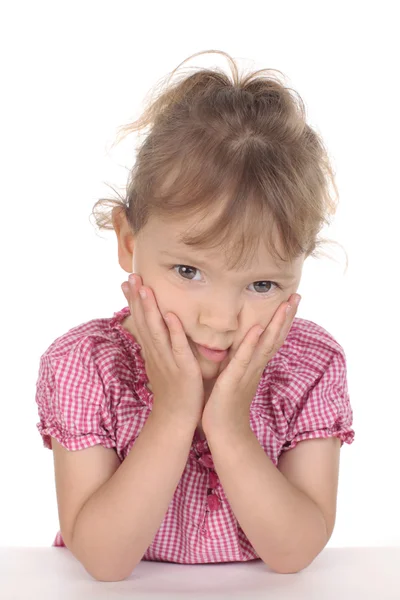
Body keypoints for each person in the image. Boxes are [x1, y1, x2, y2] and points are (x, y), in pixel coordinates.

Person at [35, 49, 355, 582]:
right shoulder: (82, 366)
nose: (222, 319)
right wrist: (173, 413)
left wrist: (229, 427)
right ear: (128, 240)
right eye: (188, 271)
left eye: (261, 284)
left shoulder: (310, 367)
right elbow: (105, 563)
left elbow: (295, 553)